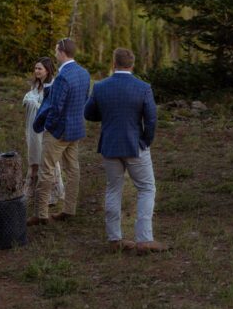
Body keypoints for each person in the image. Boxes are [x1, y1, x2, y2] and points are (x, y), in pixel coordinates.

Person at [85, 47, 166, 253]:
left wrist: (107, 117)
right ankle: (144, 239)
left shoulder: (101, 86)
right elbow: (151, 118)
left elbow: (89, 113)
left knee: (113, 188)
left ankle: (114, 238)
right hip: (135, 145)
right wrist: (145, 141)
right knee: (147, 188)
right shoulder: (143, 87)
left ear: (114, 63)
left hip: (110, 144)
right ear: (132, 64)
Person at [28, 37, 90, 225]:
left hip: (59, 131)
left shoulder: (63, 77)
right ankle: (69, 209)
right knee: (73, 170)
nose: (55, 54)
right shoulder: (84, 73)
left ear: (62, 53)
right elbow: (84, 100)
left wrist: (49, 126)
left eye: (56, 51)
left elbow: (56, 107)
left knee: (46, 170)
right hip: (76, 129)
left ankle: (41, 214)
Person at [22, 57, 65, 217]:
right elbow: (30, 97)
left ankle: (52, 193)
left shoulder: (53, 86)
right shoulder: (36, 85)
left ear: (47, 70)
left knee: (47, 158)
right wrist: (30, 100)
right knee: (34, 156)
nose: (36, 71)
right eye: (35, 68)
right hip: (33, 127)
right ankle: (32, 190)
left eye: (39, 68)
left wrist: (35, 103)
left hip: (46, 128)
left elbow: (52, 108)